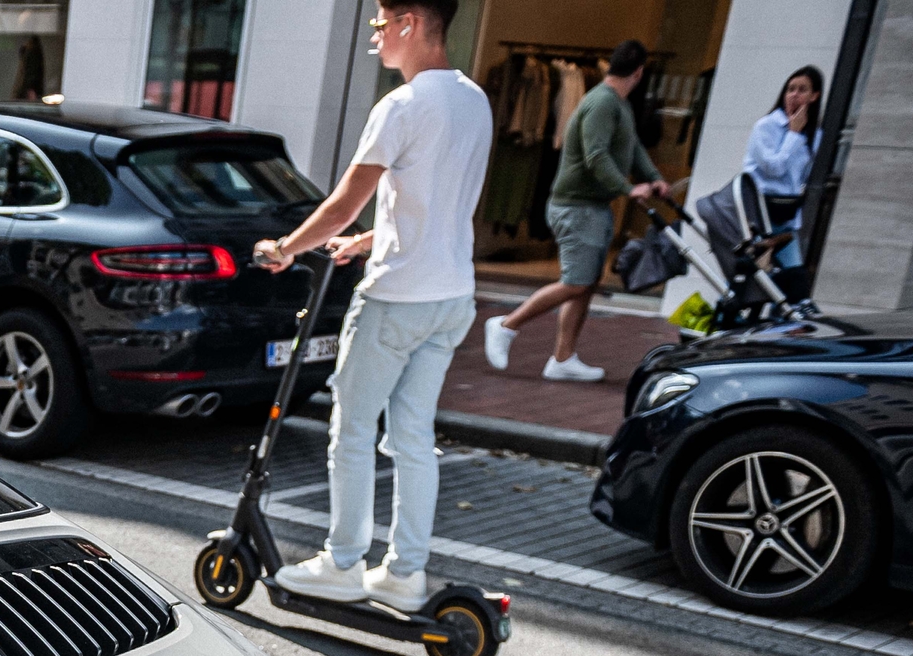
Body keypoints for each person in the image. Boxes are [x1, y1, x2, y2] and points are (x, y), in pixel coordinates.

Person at [251, 0, 490, 615]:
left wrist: (283, 248)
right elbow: (437, 208)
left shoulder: (402, 107)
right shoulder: (473, 100)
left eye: (382, 24)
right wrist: (367, 241)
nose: (376, 37)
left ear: (411, 23)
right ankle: (405, 574)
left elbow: (339, 205)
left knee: (352, 429)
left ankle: (342, 562)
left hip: (395, 301)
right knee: (412, 436)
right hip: (451, 298)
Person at [482, 40, 671, 382]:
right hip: (576, 207)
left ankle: (563, 358)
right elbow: (595, 155)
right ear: (639, 72)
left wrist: (653, 178)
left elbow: (632, 148)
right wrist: (628, 189)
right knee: (575, 282)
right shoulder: (602, 103)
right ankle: (505, 325)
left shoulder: (619, 105)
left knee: (586, 284)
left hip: (592, 207)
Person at [744, 65, 822, 273]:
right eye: (790, 89)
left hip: (786, 219)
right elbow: (773, 168)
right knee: (747, 279)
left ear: (814, 96)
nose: (794, 95)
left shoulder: (815, 134)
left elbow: (801, 179)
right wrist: (793, 135)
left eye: (802, 90)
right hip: (759, 213)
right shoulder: (766, 126)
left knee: (792, 281)